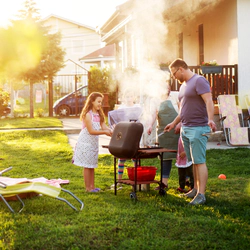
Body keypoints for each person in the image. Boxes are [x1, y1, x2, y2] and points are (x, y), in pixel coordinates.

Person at [164, 58, 216, 205]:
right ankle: (194, 189)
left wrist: (210, 119)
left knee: (199, 161)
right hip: (185, 128)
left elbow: (208, 101)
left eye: (174, 74)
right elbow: (183, 109)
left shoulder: (199, 81)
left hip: (198, 127)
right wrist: (174, 123)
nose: (174, 77)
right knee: (193, 161)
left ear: (180, 68)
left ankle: (201, 194)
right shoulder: (183, 86)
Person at [72, 92, 112, 193]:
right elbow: (91, 131)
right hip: (85, 143)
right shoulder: (87, 115)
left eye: (101, 102)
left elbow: (104, 127)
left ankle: (93, 187)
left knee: (92, 165)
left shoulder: (99, 114)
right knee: (87, 165)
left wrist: (111, 131)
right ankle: (88, 188)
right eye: (98, 102)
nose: (100, 104)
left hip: (93, 143)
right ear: (92, 101)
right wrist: (104, 132)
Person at [108, 88, 142, 190]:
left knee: (135, 158)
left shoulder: (138, 107)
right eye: (127, 96)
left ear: (134, 97)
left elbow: (141, 120)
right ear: (124, 98)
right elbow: (116, 122)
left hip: (134, 136)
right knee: (121, 159)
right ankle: (119, 181)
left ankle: (136, 181)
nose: (129, 98)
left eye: (131, 96)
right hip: (124, 136)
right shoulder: (121, 108)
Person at [147, 84, 179, 190]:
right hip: (163, 132)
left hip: (177, 130)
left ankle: (186, 182)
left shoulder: (176, 96)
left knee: (183, 156)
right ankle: (164, 183)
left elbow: (182, 110)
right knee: (165, 157)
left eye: (167, 88)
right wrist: (150, 125)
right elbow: (152, 115)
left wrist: (180, 124)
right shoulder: (155, 100)